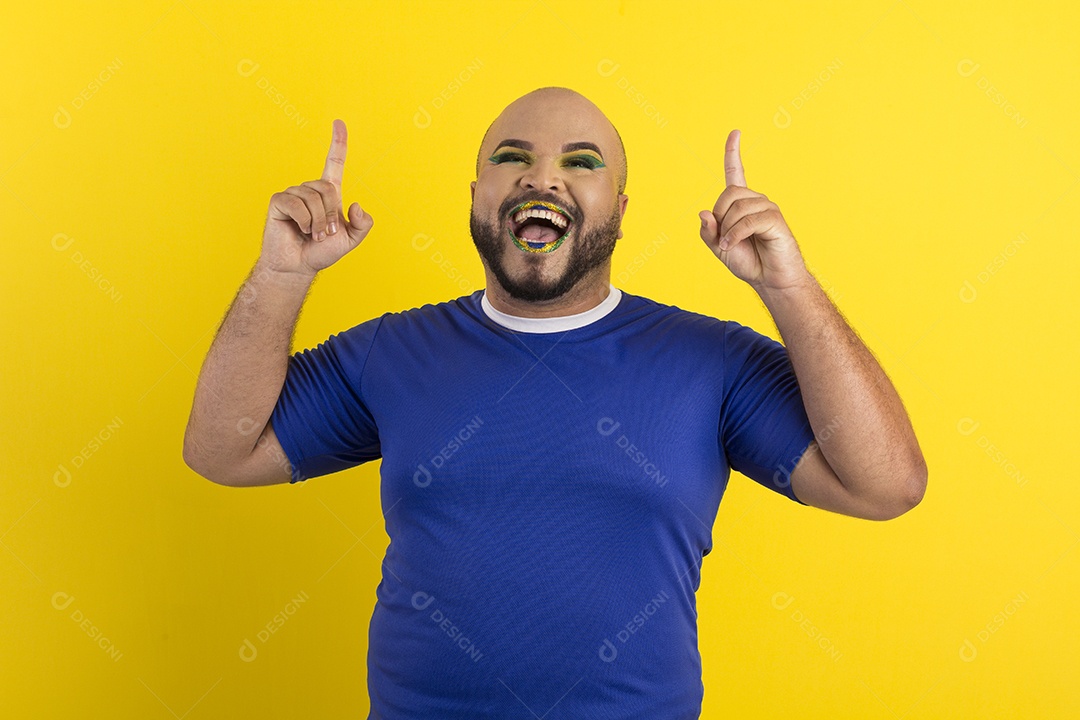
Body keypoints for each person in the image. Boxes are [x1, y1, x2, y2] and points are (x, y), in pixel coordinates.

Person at [183, 87, 927, 719]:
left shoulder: (712, 360)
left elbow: (885, 484)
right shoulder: (390, 351)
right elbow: (223, 450)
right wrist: (281, 275)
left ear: (621, 207)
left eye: (581, 162)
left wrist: (787, 288)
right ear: (476, 196)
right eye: (512, 158)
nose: (543, 179)